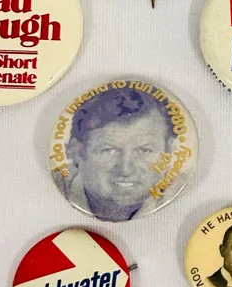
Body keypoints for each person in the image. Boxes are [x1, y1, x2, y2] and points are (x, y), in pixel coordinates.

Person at [63, 88, 176, 222]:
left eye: (144, 150)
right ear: (76, 152)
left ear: (168, 151)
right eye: (108, 150)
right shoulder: (47, 194)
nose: (125, 170)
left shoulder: (183, 201)